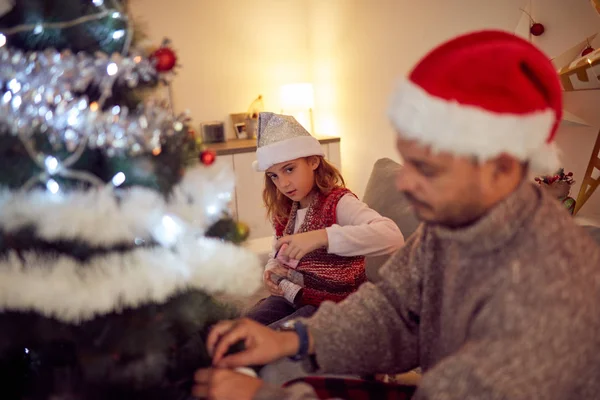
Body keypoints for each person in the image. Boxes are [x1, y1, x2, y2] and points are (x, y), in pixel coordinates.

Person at [191, 30, 600, 400]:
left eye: (427, 168)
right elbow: (390, 310)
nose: (404, 184)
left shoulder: (545, 292)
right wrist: (293, 340)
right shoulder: (450, 230)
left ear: (501, 167)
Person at [244, 112, 403, 328]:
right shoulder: (285, 209)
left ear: (313, 161)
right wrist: (271, 269)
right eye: (274, 175)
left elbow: (393, 236)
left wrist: (323, 236)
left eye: (289, 169)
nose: (283, 183)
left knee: (266, 342)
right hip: (292, 297)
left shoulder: (339, 203)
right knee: (243, 329)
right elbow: (278, 251)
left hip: (334, 305)